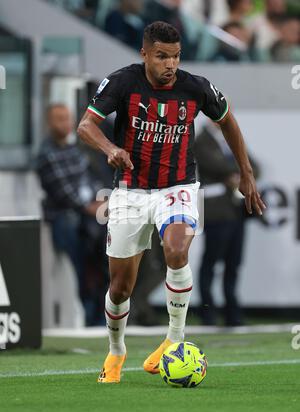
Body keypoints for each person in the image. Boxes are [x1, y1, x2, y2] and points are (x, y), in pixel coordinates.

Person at [77, 20, 266, 383]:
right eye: (162, 56)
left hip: (178, 186)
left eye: (176, 57)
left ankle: (174, 343)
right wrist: (111, 148)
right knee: (119, 288)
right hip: (130, 191)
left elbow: (228, 122)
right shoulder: (121, 82)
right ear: (144, 53)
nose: (170, 65)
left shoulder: (195, 88)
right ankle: (116, 351)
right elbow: (86, 126)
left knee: (176, 251)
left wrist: (245, 172)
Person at [37, 104, 108, 326]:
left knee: (102, 260)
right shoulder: (46, 154)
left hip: (86, 215)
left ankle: (102, 314)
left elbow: (89, 179)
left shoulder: (74, 149)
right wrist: (90, 206)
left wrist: (99, 201)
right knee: (80, 268)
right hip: (64, 218)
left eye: (67, 118)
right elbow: (64, 192)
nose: (65, 123)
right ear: (49, 123)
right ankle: (87, 315)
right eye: (59, 119)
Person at [193, 120, 260, 326]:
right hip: (215, 211)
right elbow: (215, 165)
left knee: (233, 262)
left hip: (236, 210)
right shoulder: (202, 140)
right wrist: (242, 173)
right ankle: (207, 311)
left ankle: (233, 312)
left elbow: (254, 166)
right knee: (211, 262)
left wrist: (242, 175)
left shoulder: (231, 137)